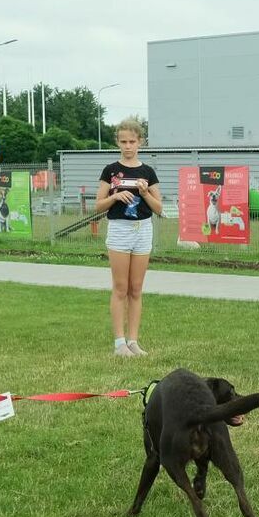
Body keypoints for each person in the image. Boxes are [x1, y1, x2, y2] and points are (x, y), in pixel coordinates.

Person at [96, 118, 162, 356]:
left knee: (136, 288)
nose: (128, 146)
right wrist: (115, 197)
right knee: (120, 288)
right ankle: (119, 343)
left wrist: (144, 193)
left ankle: (133, 341)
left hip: (143, 230)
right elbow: (98, 205)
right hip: (120, 230)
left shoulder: (147, 172)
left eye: (132, 141)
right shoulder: (110, 171)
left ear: (140, 142)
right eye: (123, 141)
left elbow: (159, 208)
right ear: (118, 142)